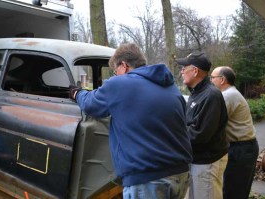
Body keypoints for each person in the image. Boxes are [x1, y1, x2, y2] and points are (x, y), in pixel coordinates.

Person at [69, 43, 193, 199]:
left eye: (116, 71)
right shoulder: (169, 86)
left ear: (124, 65)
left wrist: (77, 93)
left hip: (148, 179)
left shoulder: (120, 84)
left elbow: (91, 103)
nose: (115, 75)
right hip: (180, 174)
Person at [176, 52, 228, 199]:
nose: (181, 71)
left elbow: (200, 134)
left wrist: (173, 133)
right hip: (197, 160)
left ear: (195, 71)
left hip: (207, 162)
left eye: (184, 68)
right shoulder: (197, 93)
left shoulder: (210, 95)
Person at [211, 66, 259, 199]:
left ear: (222, 80)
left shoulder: (228, 96)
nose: (210, 81)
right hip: (242, 147)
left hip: (241, 149)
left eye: (212, 78)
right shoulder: (230, 93)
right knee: (236, 189)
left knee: (234, 192)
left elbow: (212, 122)